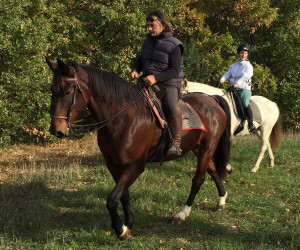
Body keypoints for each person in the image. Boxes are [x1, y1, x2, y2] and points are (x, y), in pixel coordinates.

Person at [130, 10, 184, 157]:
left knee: (170, 106)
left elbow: (174, 70)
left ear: (162, 24)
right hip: (148, 81)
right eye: (148, 25)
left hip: (169, 83)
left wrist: (156, 77)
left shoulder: (175, 45)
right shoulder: (147, 41)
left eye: (152, 25)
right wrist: (136, 69)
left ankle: (176, 143)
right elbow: (141, 59)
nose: (149, 28)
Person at [220, 43, 256, 134]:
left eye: (245, 53)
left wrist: (236, 84)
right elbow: (228, 73)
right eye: (241, 53)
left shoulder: (248, 66)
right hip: (233, 88)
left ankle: (251, 124)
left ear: (247, 55)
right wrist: (222, 80)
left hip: (243, 88)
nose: (243, 55)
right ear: (238, 53)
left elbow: (245, 77)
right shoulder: (233, 65)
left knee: (244, 103)